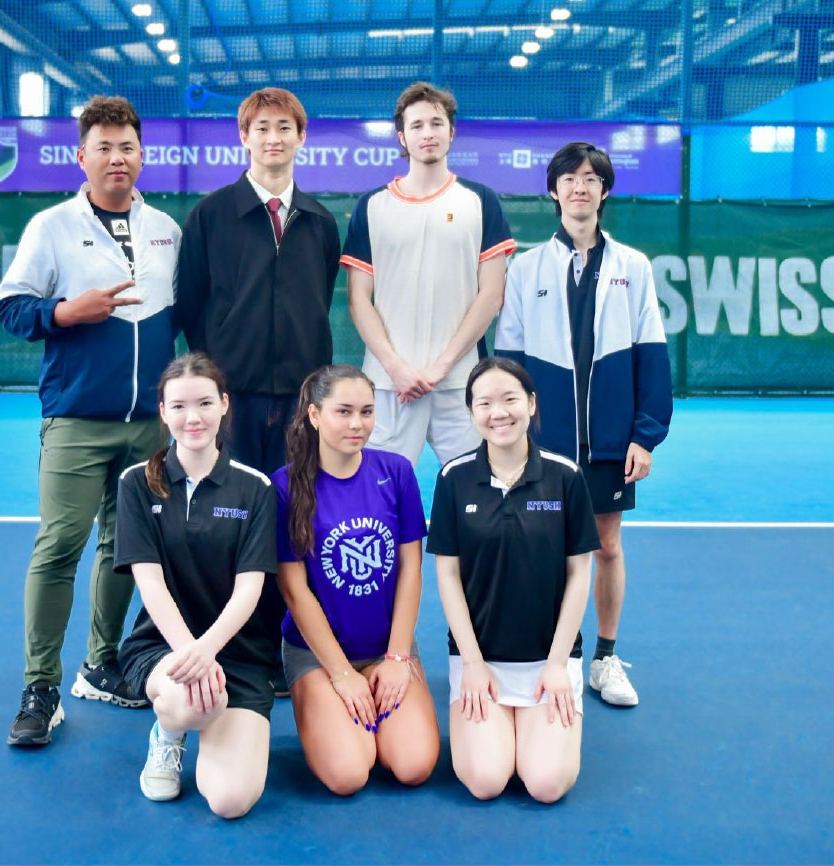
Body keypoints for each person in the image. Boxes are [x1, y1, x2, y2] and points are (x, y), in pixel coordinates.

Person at [0, 94, 183, 745]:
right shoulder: (50, 226)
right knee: (60, 545)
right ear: (82, 156)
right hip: (76, 419)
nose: (116, 158)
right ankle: (39, 685)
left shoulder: (166, 230)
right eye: (103, 147)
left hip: (147, 427)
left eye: (126, 146)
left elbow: (183, 320)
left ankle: (100, 664)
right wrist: (63, 314)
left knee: (122, 548)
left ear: (142, 155)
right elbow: (13, 308)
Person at [174, 86, 344, 696]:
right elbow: (193, 304)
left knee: (292, 524)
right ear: (243, 138)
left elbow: (318, 301)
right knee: (231, 522)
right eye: (262, 128)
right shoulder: (211, 215)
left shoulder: (322, 222)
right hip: (235, 403)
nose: (274, 139)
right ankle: (231, 648)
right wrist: (222, 383)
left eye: (285, 128)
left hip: (300, 405)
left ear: (302, 138)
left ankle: (284, 649)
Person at [494, 141, 672, 708]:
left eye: (591, 178)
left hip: (609, 442)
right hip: (544, 442)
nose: (580, 186)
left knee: (608, 546)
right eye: (569, 178)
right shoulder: (526, 268)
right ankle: (552, 655)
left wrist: (645, 435)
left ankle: (604, 658)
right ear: (553, 191)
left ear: (604, 190)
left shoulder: (633, 267)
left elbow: (652, 354)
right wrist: (512, 435)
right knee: (542, 549)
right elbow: (510, 362)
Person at [109, 354, 277, 817]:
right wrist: (192, 656)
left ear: (224, 405)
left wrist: (211, 651)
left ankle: (211, 727)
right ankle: (169, 732)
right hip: (165, 649)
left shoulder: (256, 488)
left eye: (205, 403)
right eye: (179, 406)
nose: (193, 417)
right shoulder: (136, 484)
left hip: (239, 655)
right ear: (163, 412)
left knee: (229, 801)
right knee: (191, 702)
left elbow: (250, 589)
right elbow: (151, 584)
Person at [432, 358, 603, 801]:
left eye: (509, 399)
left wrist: (558, 664)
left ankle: (528, 725)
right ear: (471, 413)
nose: (498, 412)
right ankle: (496, 727)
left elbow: (579, 572)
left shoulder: (565, 477)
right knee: (486, 781)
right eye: (483, 403)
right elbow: (448, 575)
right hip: (480, 663)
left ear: (530, 403)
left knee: (546, 784)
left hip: (547, 662)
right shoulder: (453, 478)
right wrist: (471, 663)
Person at [275, 364, 439, 793]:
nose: (357, 424)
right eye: (343, 411)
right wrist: (342, 674)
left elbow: (410, 570)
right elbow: (294, 590)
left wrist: (399, 656)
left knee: (414, 766)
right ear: (314, 416)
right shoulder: (286, 486)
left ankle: (376, 709)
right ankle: (330, 707)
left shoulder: (397, 472)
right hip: (319, 654)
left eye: (366, 412)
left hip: (387, 650)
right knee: (349, 773)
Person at [341, 81, 514, 472]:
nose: (428, 133)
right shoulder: (372, 206)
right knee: (380, 496)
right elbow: (358, 299)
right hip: (388, 386)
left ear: (452, 131)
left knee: (479, 492)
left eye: (436, 123)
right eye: (416, 125)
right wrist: (397, 368)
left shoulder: (480, 201)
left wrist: (441, 367)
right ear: (402, 137)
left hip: (462, 384)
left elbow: (491, 295)